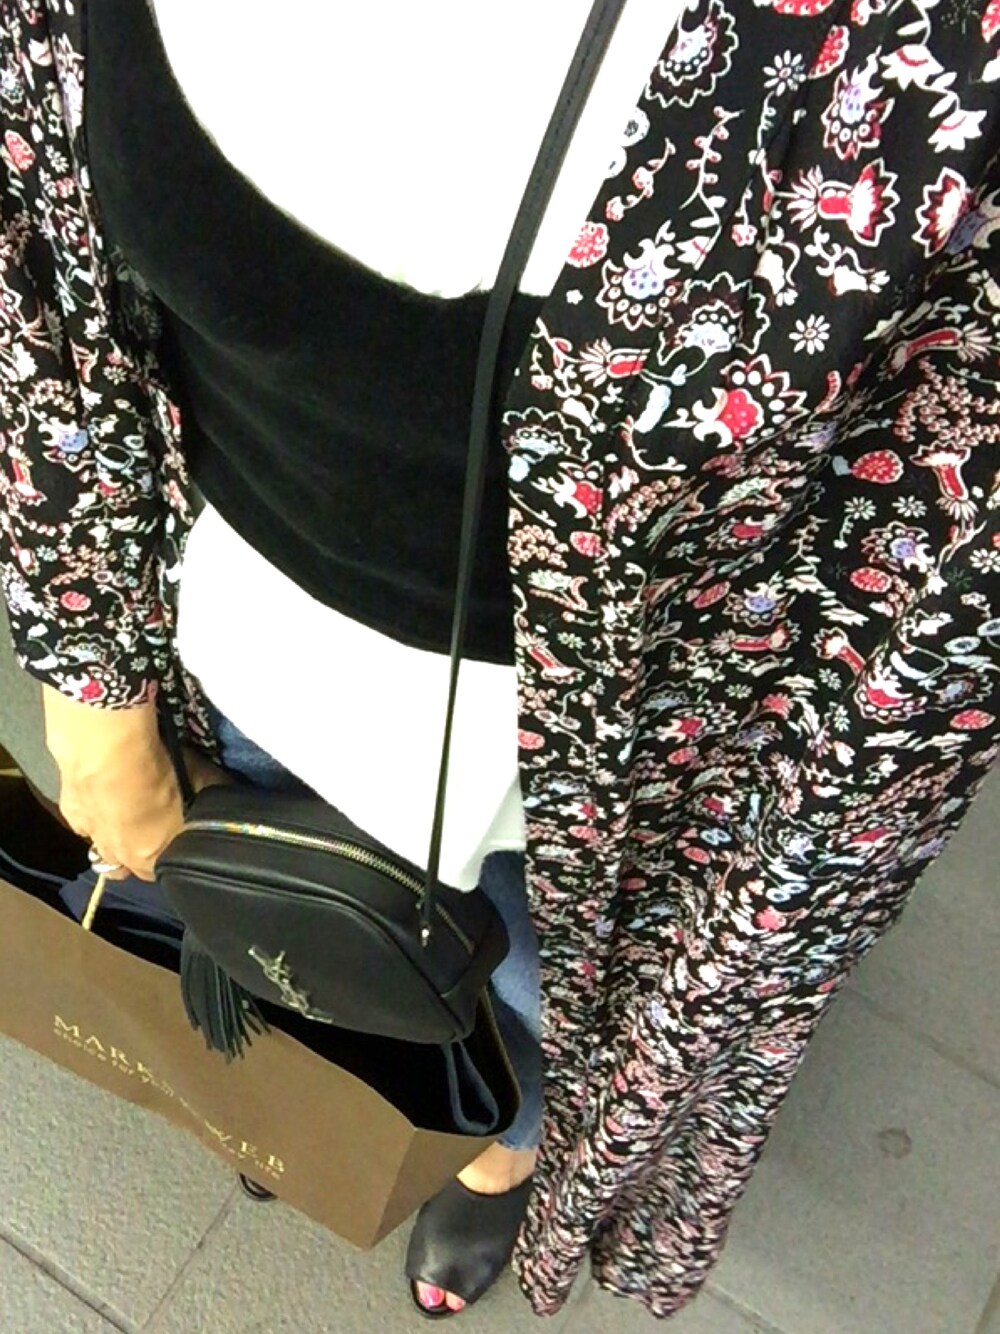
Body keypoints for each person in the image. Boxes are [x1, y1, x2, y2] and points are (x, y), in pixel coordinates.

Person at [3, 0, 1000, 1322]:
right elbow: (40, 226)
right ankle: (346, 1087)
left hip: (618, 743)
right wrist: (89, 667)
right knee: (284, 925)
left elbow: (941, 523)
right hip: (239, 610)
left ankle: (498, 1138)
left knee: (529, 990)